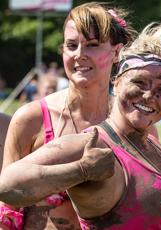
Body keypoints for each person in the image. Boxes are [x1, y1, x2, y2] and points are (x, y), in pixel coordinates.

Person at [0, 22, 161, 229]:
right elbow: (7, 184)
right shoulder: (94, 144)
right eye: (139, 83)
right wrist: (81, 170)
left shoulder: (151, 143)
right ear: (117, 82)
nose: (149, 96)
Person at [0, 2, 136, 229]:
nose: (80, 55)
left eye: (92, 45)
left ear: (116, 52)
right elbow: (7, 211)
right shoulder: (31, 120)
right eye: (72, 45)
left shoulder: (132, 122)